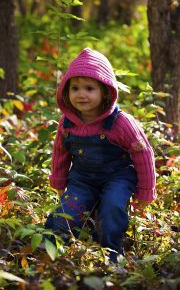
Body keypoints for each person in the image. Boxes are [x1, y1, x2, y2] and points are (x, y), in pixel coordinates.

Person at [45, 47, 156, 261]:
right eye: (75, 88)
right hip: (82, 179)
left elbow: (144, 154)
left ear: (105, 91)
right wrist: (59, 182)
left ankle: (112, 254)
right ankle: (52, 253)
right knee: (66, 214)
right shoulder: (67, 123)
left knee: (112, 209)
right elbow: (60, 153)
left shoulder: (120, 122)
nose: (81, 94)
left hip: (118, 176)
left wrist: (145, 191)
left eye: (89, 88)